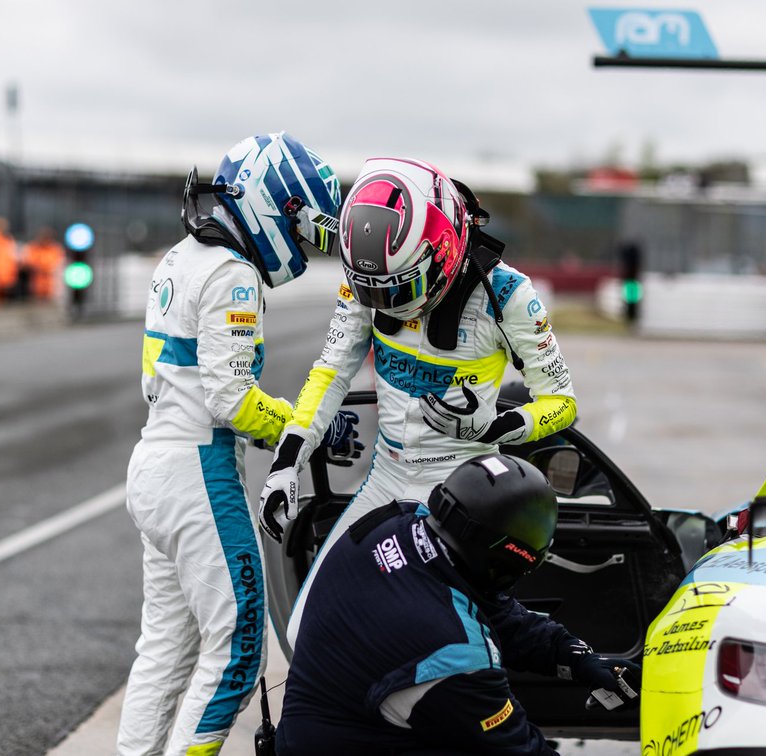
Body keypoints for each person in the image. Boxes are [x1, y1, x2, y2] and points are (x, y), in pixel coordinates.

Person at [257, 158, 579, 648]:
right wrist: (285, 462)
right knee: (307, 633)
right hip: (385, 475)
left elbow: (562, 403)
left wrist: (491, 428)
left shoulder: (509, 294)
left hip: (463, 494)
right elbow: (331, 371)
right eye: (373, 291)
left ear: (444, 248)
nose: (387, 303)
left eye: (401, 288)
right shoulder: (368, 272)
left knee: (441, 651)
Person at [117, 132, 345, 756]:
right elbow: (232, 400)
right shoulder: (233, 273)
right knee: (242, 648)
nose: (300, 247)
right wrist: (303, 429)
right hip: (198, 469)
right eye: (300, 229)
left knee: (164, 646)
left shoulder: (179, 257)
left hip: (155, 462)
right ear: (275, 205)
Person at [275, 453, 640, 755]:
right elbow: (520, 750)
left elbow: (494, 608)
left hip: (315, 728)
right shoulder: (452, 656)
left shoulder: (392, 525)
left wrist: (573, 657)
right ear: (501, 561)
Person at [23, 226, 65, 302]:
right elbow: (29, 262)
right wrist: (40, 268)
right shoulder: (34, 247)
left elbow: (59, 263)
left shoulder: (55, 248)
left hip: (52, 283)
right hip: (37, 283)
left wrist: (48, 269)